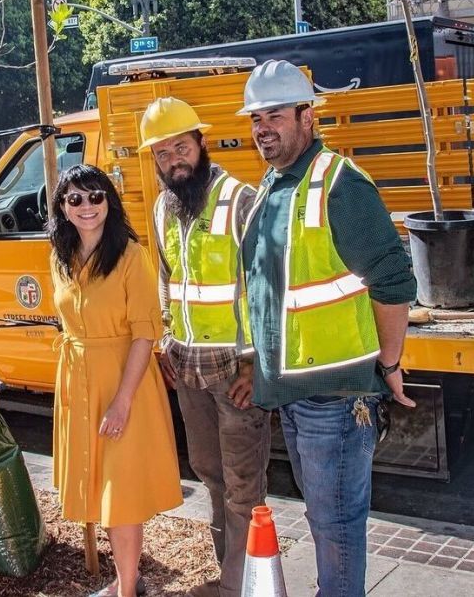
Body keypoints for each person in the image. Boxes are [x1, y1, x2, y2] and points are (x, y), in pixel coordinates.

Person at [237, 60, 416, 597]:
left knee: (336, 528)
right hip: (295, 395)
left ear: (306, 116)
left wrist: (389, 365)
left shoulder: (339, 184)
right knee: (324, 520)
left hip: (335, 399)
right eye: (255, 118)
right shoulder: (273, 183)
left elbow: (393, 281)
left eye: (274, 115)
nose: (262, 127)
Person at [140, 98, 270, 597]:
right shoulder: (163, 208)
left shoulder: (239, 200)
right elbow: (167, 279)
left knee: (243, 490)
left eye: (181, 146)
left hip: (235, 373)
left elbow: (264, 289)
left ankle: (244, 588)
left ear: (201, 144)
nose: (174, 159)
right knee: (212, 478)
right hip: (190, 371)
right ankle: (232, 581)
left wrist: (254, 363)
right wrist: (167, 339)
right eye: (162, 152)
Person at [47, 164, 182, 597]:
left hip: (124, 383)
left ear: (110, 201)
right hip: (79, 383)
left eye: (96, 196)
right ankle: (125, 581)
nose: (87, 206)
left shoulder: (130, 255)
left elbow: (145, 332)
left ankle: (126, 591)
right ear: (63, 209)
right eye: (75, 199)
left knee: (120, 495)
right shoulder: (59, 257)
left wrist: (122, 401)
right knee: (99, 488)